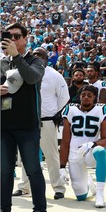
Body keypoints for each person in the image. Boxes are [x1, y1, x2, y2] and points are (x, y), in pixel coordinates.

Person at [12, 47, 69, 200]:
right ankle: (24, 187)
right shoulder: (26, 72)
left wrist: (54, 112)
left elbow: (64, 97)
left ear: (46, 58)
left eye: (40, 55)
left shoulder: (54, 75)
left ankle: (58, 188)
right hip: (28, 121)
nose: (37, 56)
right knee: (26, 156)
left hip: (47, 121)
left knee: (51, 156)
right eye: (35, 54)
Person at [0, 23, 46, 212]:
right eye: (8, 36)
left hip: (28, 126)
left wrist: (17, 56)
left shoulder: (36, 61)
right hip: (4, 127)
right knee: (4, 172)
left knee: (33, 170)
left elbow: (31, 77)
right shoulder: (2, 63)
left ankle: (39, 209)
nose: (13, 39)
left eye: (17, 36)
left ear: (26, 39)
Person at [59, 85, 106, 208]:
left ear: (94, 97)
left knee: (100, 151)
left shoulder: (102, 109)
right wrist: (62, 166)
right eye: (83, 95)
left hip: (90, 151)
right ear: (79, 97)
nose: (86, 98)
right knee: (81, 196)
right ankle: (89, 183)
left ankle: (100, 193)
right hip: (75, 154)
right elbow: (65, 141)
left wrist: (93, 144)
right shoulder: (70, 110)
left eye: (89, 95)